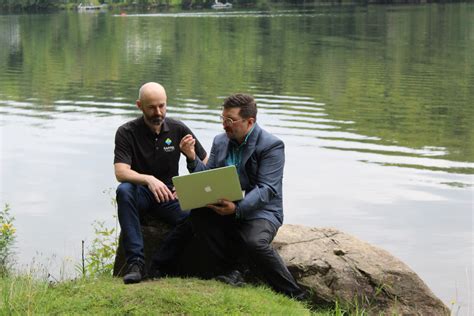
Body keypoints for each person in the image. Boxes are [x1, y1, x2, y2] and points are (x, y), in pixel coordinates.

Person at [179, 93, 305, 299]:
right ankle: (230, 271)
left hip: (262, 210)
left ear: (250, 122)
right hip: (228, 203)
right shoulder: (220, 141)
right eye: (223, 119)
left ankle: (294, 294)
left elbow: (267, 189)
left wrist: (238, 209)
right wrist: (192, 158)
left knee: (254, 242)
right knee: (198, 215)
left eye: (230, 121)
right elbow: (207, 179)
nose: (224, 126)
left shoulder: (272, 145)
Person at [114, 82, 208, 284]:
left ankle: (158, 266)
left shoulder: (178, 128)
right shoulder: (126, 131)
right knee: (124, 191)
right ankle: (136, 263)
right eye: (152, 107)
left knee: (199, 215)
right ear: (139, 105)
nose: (158, 112)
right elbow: (121, 172)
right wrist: (148, 179)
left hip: (170, 195)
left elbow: (207, 164)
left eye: (162, 106)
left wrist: (191, 158)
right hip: (142, 193)